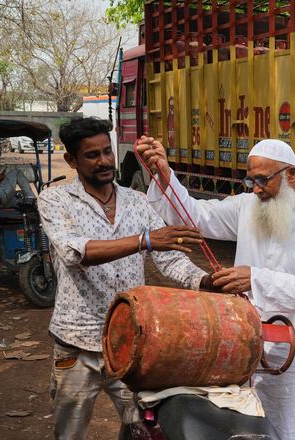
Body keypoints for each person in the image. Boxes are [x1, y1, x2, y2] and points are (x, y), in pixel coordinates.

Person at [137, 136, 295, 440]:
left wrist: (255, 279)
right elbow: (194, 214)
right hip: (253, 352)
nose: (257, 188)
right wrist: (165, 174)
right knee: (254, 430)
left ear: (290, 175)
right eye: (251, 180)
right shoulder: (247, 206)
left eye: (264, 179)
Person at [37, 118, 213, 440]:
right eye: (92, 155)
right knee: (70, 433)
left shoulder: (137, 201)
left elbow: (169, 257)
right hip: (77, 344)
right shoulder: (55, 200)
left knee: (144, 427)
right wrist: (144, 240)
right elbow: (75, 252)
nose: (104, 161)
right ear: (72, 161)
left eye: (107, 151)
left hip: (131, 340)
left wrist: (206, 282)